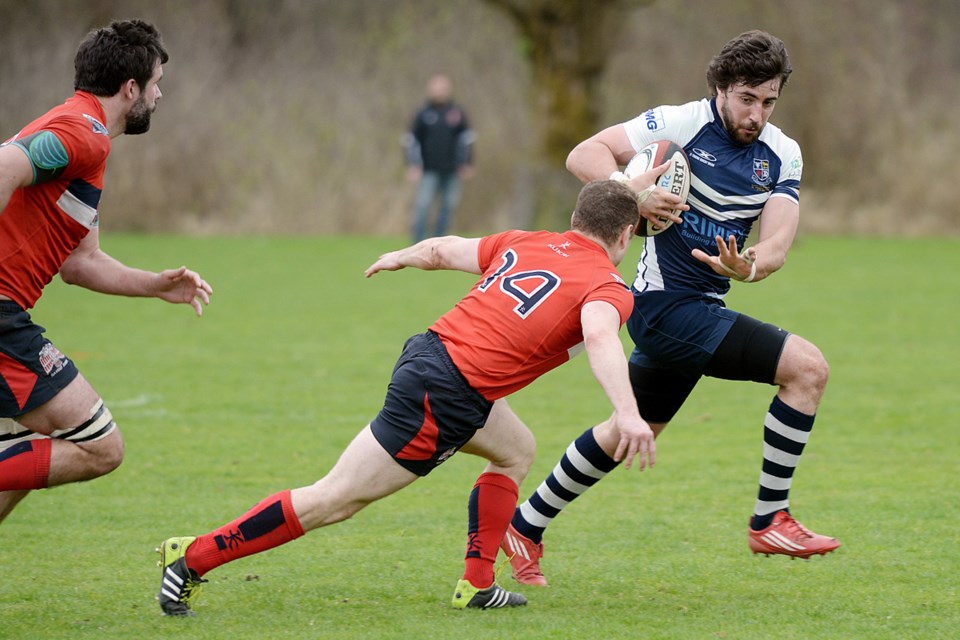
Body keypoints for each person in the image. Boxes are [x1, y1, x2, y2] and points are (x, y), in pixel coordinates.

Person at [155, 179, 659, 615]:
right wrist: (628, 414)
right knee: (335, 499)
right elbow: (599, 337)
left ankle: (478, 585)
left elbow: (443, 251)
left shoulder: (525, 240)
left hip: (433, 356)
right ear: (625, 235)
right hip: (445, 396)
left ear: (574, 219)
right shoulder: (609, 285)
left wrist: (402, 256)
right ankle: (193, 557)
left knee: (515, 450)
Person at [501, 30, 840, 587]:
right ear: (721, 89)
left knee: (631, 430)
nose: (756, 113)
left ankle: (525, 525)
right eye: (746, 98)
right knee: (808, 369)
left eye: (769, 101)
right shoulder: (678, 123)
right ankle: (769, 518)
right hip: (662, 306)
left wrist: (749, 266)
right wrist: (630, 191)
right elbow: (582, 153)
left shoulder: (782, 153)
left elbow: (776, 244)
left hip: (698, 306)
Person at [0, 20, 213, 524]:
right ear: (131, 88)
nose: (160, 95)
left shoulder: (84, 139)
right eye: (157, 83)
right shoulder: (86, 133)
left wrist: (155, 285)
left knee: (20, 454)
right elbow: (6, 164)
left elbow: (80, 262)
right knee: (100, 446)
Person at [403, 74, 475, 242]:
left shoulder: (456, 113)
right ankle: (418, 240)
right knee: (423, 205)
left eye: (443, 89)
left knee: (448, 206)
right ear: (430, 90)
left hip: (452, 169)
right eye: (437, 89)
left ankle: (440, 242)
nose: (440, 92)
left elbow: (466, 139)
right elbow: (411, 140)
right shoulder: (423, 113)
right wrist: (414, 164)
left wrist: (466, 163)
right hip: (429, 169)